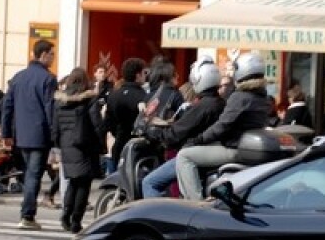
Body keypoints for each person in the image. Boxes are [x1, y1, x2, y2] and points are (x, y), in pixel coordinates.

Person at [175, 51, 271, 200]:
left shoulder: (240, 97)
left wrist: (198, 139)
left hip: (234, 148)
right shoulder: (262, 96)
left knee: (184, 156)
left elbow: (222, 125)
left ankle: (196, 203)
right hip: (245, 148)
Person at [141, 59, 227, 199]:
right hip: (209, 155)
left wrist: (155, 132)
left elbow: (175, 133)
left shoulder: (202, 106)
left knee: (150, 182)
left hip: (196, 155)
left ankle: (158, 219)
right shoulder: (220, 102)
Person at [0, 39, 58, 230]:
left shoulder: (18, 77)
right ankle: (27, 215)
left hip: (21, 134)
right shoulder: (48, 79)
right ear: (43, 55)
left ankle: (27, 209)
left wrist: (6, 132)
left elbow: (7, 107)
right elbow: (50, 109)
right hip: (40, 135)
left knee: (28, 174)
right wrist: (54, 135)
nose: (53, 58)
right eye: (51, 54)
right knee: (33, 175)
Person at [50, 67, 104, 233]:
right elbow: (97, 125)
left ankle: (66, 214)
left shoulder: (60, 101)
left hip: (67, 146)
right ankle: (76, 220)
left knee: (73, 182)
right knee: (83, 184)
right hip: (85, 146)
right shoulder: (89, 100)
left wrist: (59, 144)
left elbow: (55, 128)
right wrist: (101, 144)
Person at [105, 57, 149, 170]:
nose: (146, 76)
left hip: (119, 143)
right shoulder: (144, 96)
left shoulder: (113, 95)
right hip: (138, 145)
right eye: (144, 73)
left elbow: (108, 122)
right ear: (137, 75)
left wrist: (117, 133)